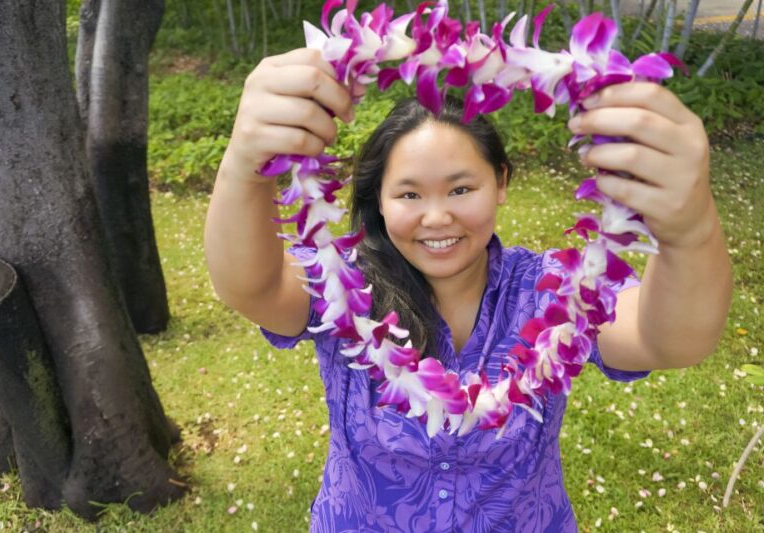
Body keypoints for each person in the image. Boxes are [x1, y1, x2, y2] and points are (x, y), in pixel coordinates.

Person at [204, 48, 732, 531]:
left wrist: (690, 229)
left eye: (460, 188)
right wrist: (245, 165)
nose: (437, 217)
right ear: (380, 201)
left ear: (500, 182)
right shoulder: (346, 285)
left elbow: (668, 338)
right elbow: (253, 287)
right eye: (409, 194)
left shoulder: (550, 291)